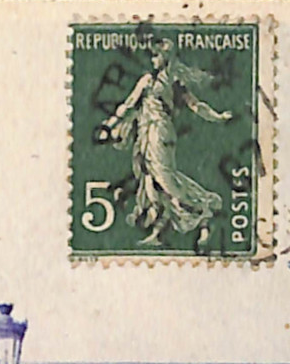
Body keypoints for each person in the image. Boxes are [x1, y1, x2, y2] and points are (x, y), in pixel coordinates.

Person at [99, 36, 234, 247]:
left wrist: (217, 116)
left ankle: (205, 210)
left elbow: (196, 106)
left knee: (166, 181)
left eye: (155, 56)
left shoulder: (173, 82)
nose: (152, 60)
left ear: (165, 58)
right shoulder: (146, 81)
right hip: (146, 134)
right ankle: (158, 234)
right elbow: (128, 106)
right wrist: (110, 125)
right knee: (152, 184)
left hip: (160, 133)